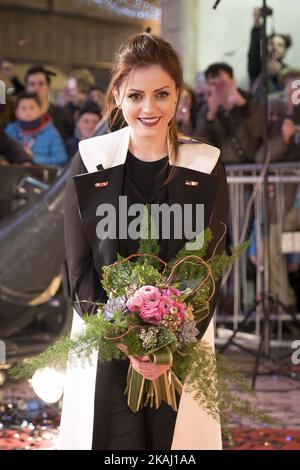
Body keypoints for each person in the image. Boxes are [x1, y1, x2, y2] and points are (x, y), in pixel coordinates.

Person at [60, 32, 228, 451]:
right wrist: (125, 337)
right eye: (136, 95)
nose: (149, 108)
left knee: (178, 444)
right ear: (117, 95)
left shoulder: (205, 163)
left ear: (178, 97)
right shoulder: (89, 159)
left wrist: (168, 339)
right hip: (104, 340)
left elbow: (213, 264)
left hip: (182, 341)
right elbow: (78, 267)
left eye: (161, 94)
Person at [195, 62, 263, 163]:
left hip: (250, 167)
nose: (218, 88)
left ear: (233, 82)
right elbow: (199, 145)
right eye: (213, 84)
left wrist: (242, 105)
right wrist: (210, 116)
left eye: (222, 83)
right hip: (220, 169)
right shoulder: (205, 111)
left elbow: (259, 131)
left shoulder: (251, 102)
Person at [5, 92, 68, 167]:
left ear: (41, 110)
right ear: (16, 112)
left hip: (41, 175)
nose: (27, 112)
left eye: (32, 107)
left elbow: (62, 160)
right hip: (12, 174)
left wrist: (33, 158)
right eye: (23, 108)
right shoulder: (9, 130)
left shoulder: (52, 133)